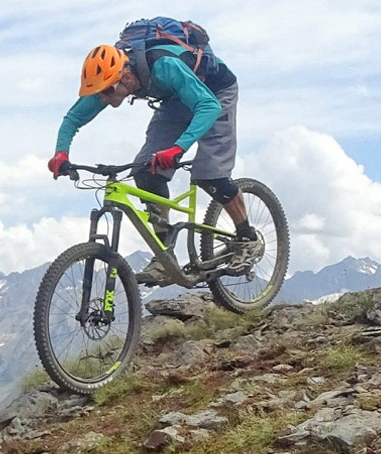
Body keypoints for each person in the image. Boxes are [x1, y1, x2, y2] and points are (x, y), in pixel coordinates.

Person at [47, 38, 255, 284]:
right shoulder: (110, 82)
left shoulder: (164, 67)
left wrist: (178, 148)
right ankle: (164, 257)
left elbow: (208, 106)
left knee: (210, 174)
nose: (102, 98)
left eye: (105, 92)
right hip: (176, 98)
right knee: (145, 170)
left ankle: (246, 238)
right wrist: (61, 153)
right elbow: (73, 118)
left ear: (124, 77)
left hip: (215, 93)